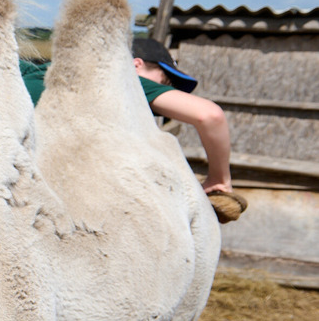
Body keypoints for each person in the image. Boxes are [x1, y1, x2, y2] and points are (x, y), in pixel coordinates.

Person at [20, 37, 247, 223]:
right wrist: (219, 180)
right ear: (135, 65)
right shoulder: (119, 80)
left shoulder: (28, 71)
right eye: (165, 80)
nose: (163, 88)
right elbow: (210, 115)